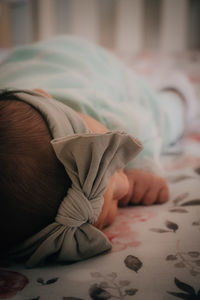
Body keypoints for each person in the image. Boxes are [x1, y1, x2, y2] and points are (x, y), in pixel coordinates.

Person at [0, 36, 197, 267]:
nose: (124, 188)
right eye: (112, 199)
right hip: (23, 63)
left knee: (161, 117)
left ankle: (177, 96)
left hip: (94, 66)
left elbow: (141, 125)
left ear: (45, 95)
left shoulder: (100, 112)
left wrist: (142, 166)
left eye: (110, 166)